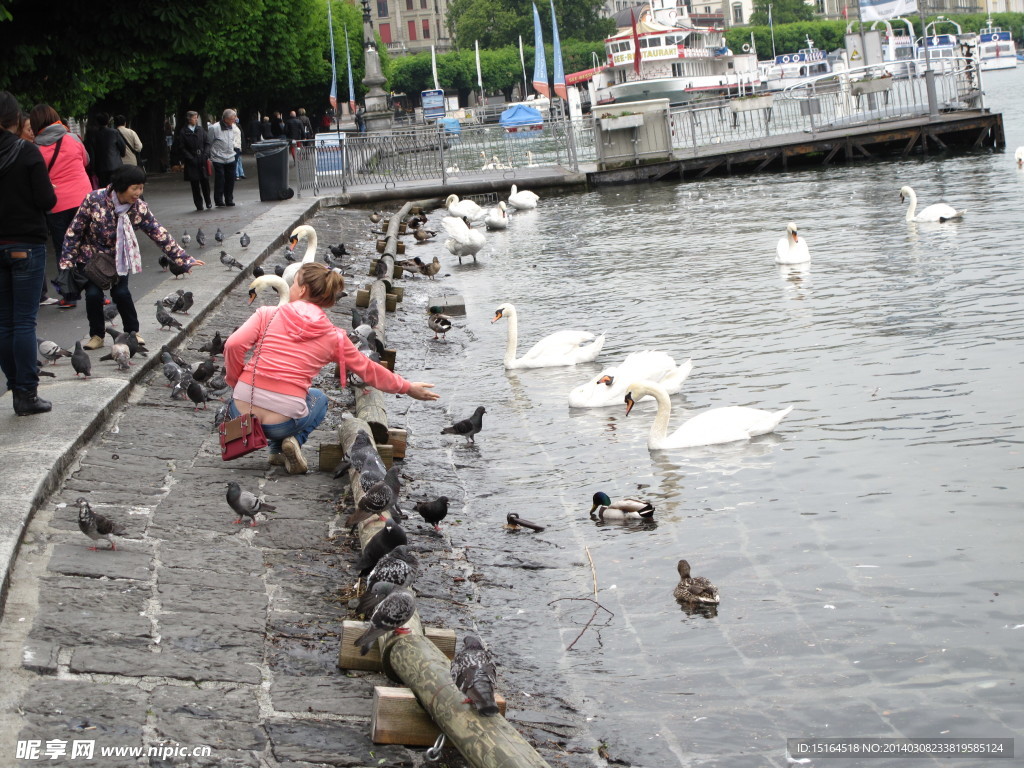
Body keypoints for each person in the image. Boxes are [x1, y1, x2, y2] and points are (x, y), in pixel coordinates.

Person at [225, 263, 439, 474]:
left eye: (293, 283)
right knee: (319, 399)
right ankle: (291, 443)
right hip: (282, 424)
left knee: (266, 390)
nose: (290, 288)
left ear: (302, 289)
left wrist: (235, 382)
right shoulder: (334, 337)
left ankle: (276, 450)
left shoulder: (267, 314)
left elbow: (233, 345)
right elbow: (368, 369)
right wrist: (407, 387)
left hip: (241, 414)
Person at [60, 165, 205, 350]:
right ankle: (97, 335)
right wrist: (67, 261)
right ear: (121, 186)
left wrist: (183, 259)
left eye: (141, 188)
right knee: (93, 295)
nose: (138, 192)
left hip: (118, 258)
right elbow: (75, 231)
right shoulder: (94, 199)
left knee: (121, 293)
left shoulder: (138, 208)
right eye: (134, 188)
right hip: (91, 258)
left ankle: (132, 332)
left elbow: (158, 233)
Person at [0, 92, 58, 415]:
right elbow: (47, 200)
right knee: (24, 322)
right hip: (25, 245)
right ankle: (26, 393)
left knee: (3, 323)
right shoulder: (27, 152)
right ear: (13, 120)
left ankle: (14, 386)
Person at [30, 103, 93, 310]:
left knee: (63, 249)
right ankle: (96, 291)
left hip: (56, 203)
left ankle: (69, 295)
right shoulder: (73, 138)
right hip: (83, 199)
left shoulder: (35, 148)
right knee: (88, 245)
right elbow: (86, 161)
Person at [177, 111, 211, 211]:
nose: (196, 119)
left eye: (197, 117)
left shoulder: (200, 130)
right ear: (188, 119)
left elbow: (207, 143)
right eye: (194, 118)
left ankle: (208, 201)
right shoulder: (183, 132)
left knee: (205, 181)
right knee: (195, 183)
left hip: (202, 158)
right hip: (191, 160)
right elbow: (182, 147)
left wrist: (205, 154)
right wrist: (190, 157)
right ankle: (198, 204)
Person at [207, 108, 240, 207]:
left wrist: (236, 150)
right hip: (218, 157)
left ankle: (229, 199)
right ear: (226, 119)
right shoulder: (215, 127)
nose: (234, 121)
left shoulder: (233, 127)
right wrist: (210, 155)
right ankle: (218, 200)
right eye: (232, 119)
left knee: (230, 179)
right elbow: (209, 141)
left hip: (230, 156)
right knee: (220, 179)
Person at [84, 113, 125, 187]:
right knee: (116, 187)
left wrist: (92, 169)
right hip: (116, 165)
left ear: (97, 122)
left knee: (104, 189)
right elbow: (122, 147)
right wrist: (121, 154)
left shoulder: (93, 135)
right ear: (108, 121)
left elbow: (92, 153)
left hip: (101, 168)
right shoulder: (114, 132)